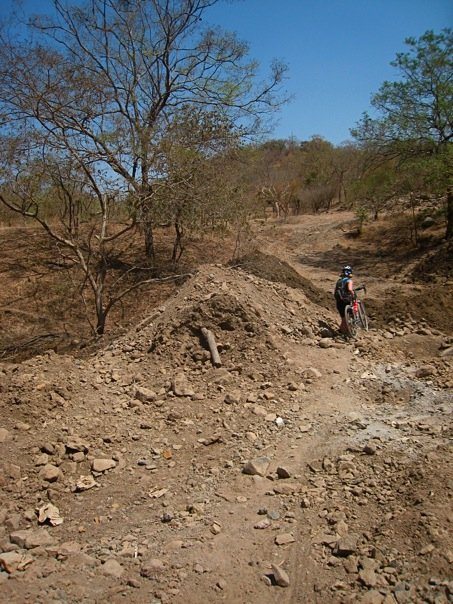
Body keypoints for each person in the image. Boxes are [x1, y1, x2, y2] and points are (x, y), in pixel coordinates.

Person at [334, 265, 354, 334]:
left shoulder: (339, 281)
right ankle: (348, 331)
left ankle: (341, 330)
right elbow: (350, 289)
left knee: (343, 317)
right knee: (348, 316)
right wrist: (353, 294)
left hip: (339, 301)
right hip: (346, 300)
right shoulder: (349, 280)